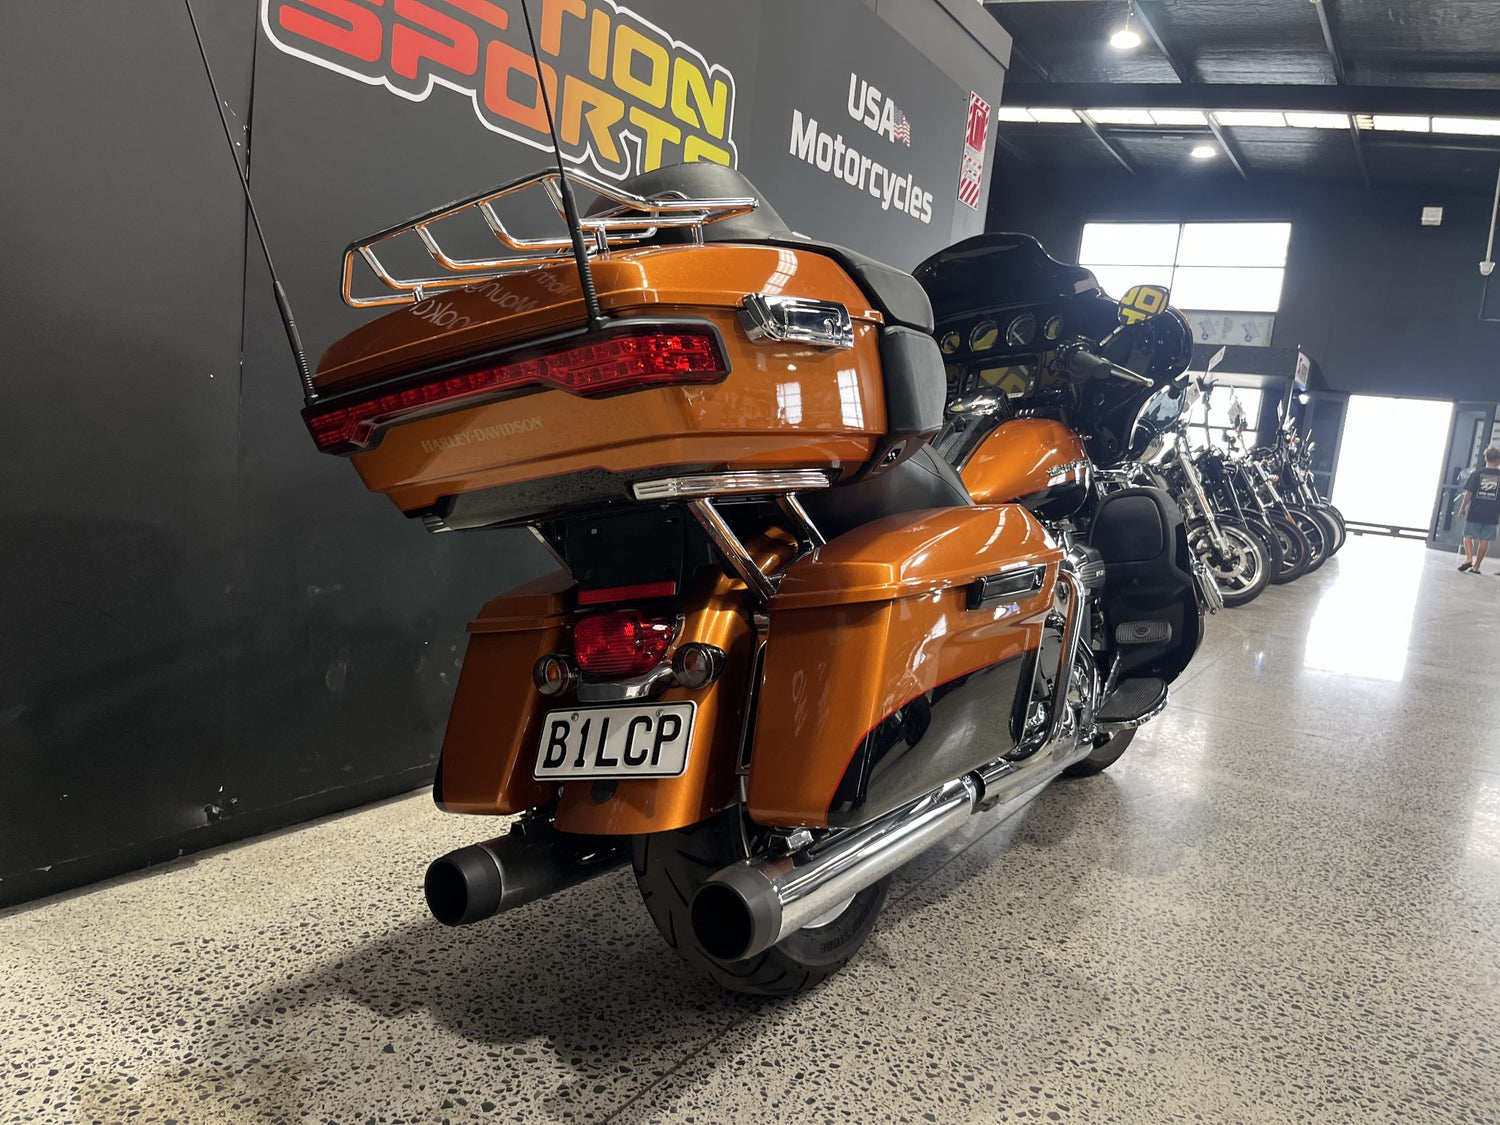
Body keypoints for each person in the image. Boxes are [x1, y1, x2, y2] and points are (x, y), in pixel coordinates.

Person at [1458, 446, 1500, 574]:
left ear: (1485, 458)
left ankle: (1469, 558)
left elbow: (1469, 493)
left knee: (1468, 535)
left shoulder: (1476, 474)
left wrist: (1462, 507)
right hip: (1492, 513)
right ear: (1499, 461)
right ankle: (1476, 566)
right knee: (1484, 540)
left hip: (1475, 511)